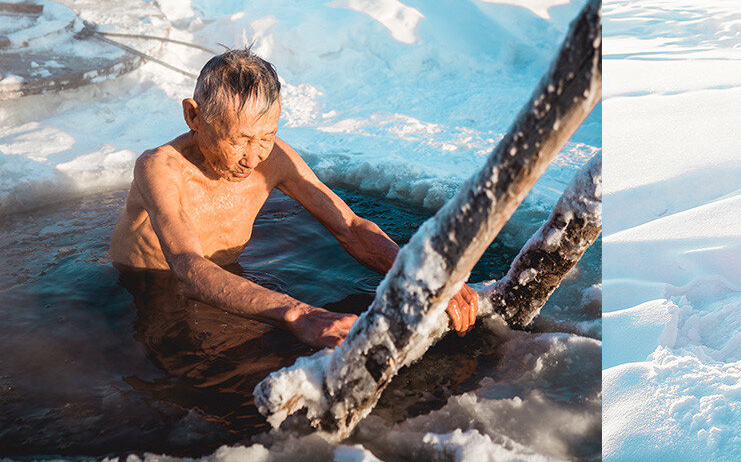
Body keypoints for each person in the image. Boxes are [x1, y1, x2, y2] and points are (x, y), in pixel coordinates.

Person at [110, 48, 478, 348]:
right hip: (146, 291)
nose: (252, 158)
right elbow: (188, 268)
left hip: (228, 280)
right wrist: (298, 313)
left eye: (265, 137)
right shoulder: (160, 169)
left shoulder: (274, 159)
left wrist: (420, 275)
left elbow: (349, 226)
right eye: (238, 139)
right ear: (194, 115)